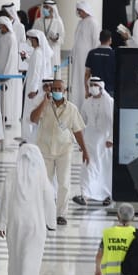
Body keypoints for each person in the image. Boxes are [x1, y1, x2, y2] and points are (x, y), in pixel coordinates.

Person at [0, 144, 55, 275]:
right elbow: (49, 199)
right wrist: (51, 223)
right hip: (35, 223)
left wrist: (1, 224)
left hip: (15, 223)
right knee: (32, 256)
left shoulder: (12, 174)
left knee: (16, 256)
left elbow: (5, 200)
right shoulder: (41, 176)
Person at [30, 79, 89, 225]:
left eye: (58, 89)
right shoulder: (44, 105)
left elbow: (78, 130)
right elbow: (33, 118)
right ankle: (44, 212)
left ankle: (61, 214)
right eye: (53, 88)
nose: (56, 91)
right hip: (45, 150)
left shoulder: (72, 109)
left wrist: (84, 150)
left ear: (64, 91)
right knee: (45, 183)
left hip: (64, 150)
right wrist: (44, 101)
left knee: (64, 183)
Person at [0, 13, 26, 144]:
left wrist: (7, 74)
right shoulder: (0, 36)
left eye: (1, 26)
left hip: (6, 74)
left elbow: (11, 58)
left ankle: (7, 118)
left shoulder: (11, 37)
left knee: (6, 97)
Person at [77, 78, 114, 205]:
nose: (93, 87)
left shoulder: (109, 102)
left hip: (105, 141)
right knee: (88, 166)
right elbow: (80, 123)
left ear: (101, 86)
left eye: (95, 85)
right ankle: (85, 195)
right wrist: (80, 143)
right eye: (91, 85)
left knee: (104, 168)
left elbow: (114, 121)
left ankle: (107, 195)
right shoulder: (87, 103)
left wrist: (111, 139)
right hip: (90, 140)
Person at [21, 30, 52, 142]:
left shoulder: (38, 53)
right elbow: (34, 64)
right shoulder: (37, 52)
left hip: (34, 88)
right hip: (33, 86)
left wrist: (34, 89)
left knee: (30, 110)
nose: (30, 41)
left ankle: (28, 137)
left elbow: (36, 72)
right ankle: (28, 136)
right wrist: (26, 58)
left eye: (31, 39)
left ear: (36, 40)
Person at [70, 2, 100, 95]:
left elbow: (96, 40)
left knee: (84, 77)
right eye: (78, 11)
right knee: (77, 78)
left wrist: (94, 56)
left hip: (87, 56)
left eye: (80, 11)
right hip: (78, 57)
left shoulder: (93, 22)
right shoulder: (80, 22)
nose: (79, 13)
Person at [33, 0, 66, 70]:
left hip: (53, 50)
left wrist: (56, 39)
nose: (45, 9)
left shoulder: (58, 22)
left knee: (52, 71)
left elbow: (62, 38)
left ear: (52, 9)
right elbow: (33, 34)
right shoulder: (38, 21)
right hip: (41, 49)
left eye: (47, 7)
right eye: (44, 7)